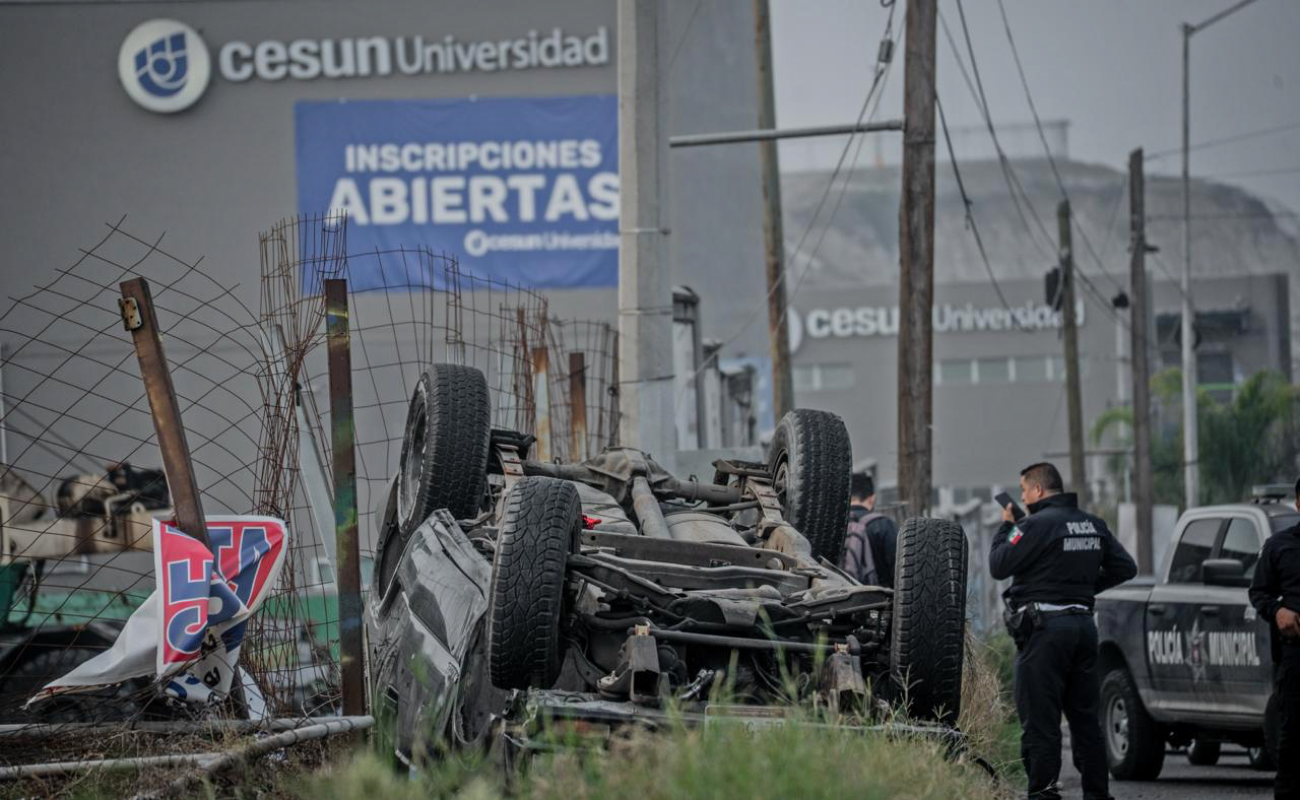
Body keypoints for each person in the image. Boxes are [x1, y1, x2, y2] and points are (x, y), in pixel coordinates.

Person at [990, 462, 1136, 800]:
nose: (1023, 497)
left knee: (1041, 722)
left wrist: (1007, 527)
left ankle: (1043, 794)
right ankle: (1097, 795)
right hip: (1084, 630)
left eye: (1025, 491)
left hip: (1045, 634)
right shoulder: (1092, 524)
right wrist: (1081, 589)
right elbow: (1126, 567)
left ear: (1038, 491)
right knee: (1086, 721)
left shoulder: (1033, 525)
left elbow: (999, 564)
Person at [1248, 476, 1300, 800]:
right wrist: (1278, 610)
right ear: (1298, 503)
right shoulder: (1279, 546)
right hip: (1296, 657)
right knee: (1293, 739)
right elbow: (1258, 592)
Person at [840, 473, 898, 588]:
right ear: (872, 498)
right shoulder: (883, 524)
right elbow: (898, 569)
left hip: (838, 599)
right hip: (878, 600)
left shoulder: (835, 526)